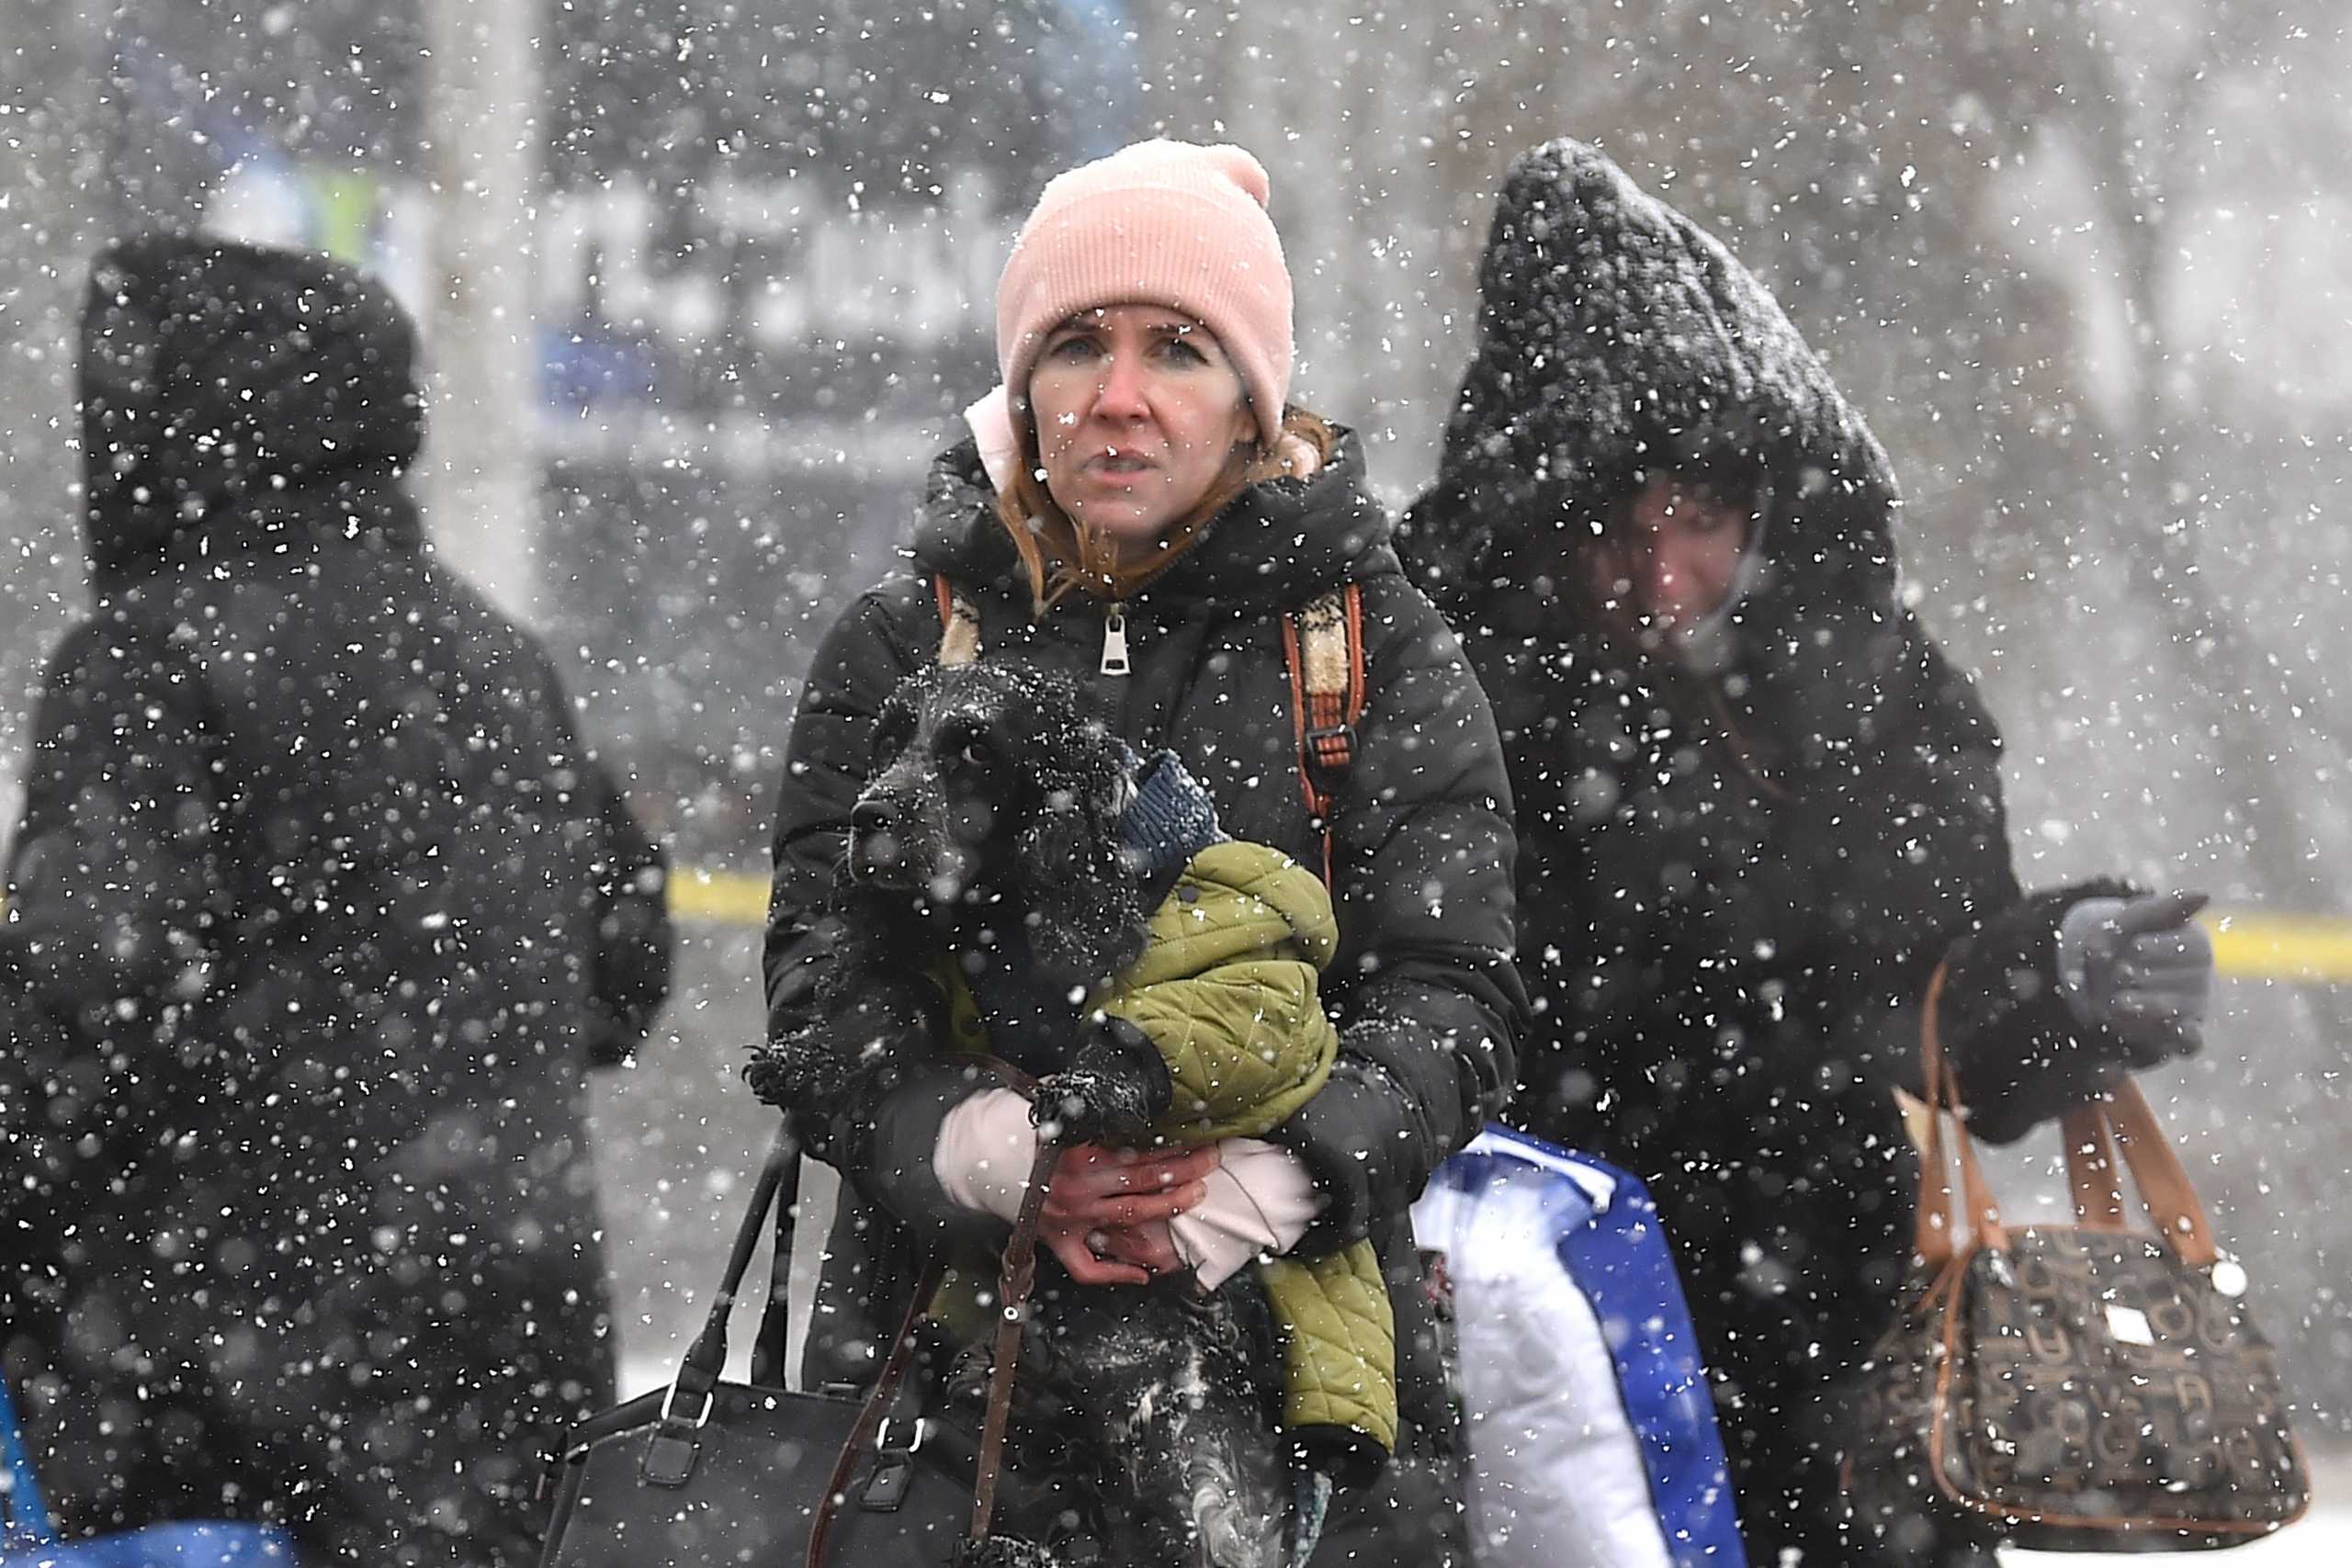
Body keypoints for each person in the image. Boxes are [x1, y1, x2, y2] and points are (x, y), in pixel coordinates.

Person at [1398, 141, 2216, 1567]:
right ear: (1538, 518)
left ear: (1766, 506)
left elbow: (1928, 1005)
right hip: (1536, 1353)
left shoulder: (1855, 687)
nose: (1661, 582)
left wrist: (2063, 973)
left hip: (1835, 1355)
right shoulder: (1432, 685)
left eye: (1700, 525)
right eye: (1618, 531)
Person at [757, 139, 1526, 1563]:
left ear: (1252, 402)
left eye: (1178, 348)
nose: (1118, 398)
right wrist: (988, 1157)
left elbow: (1456, 1002)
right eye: (1075, 346)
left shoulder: (1372, 651)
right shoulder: (900, 643)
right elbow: (817, 987)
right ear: (1020, 384)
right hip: (935, 1406)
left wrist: (1262, 1185)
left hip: (1301, 1409)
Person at [0, 235, 673, 1565]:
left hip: (212, 1414)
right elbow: (625, 971)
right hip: (505, 1393)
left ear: (159, 428)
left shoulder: (150, 658)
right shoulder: (495, 660)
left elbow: (76, 1017)